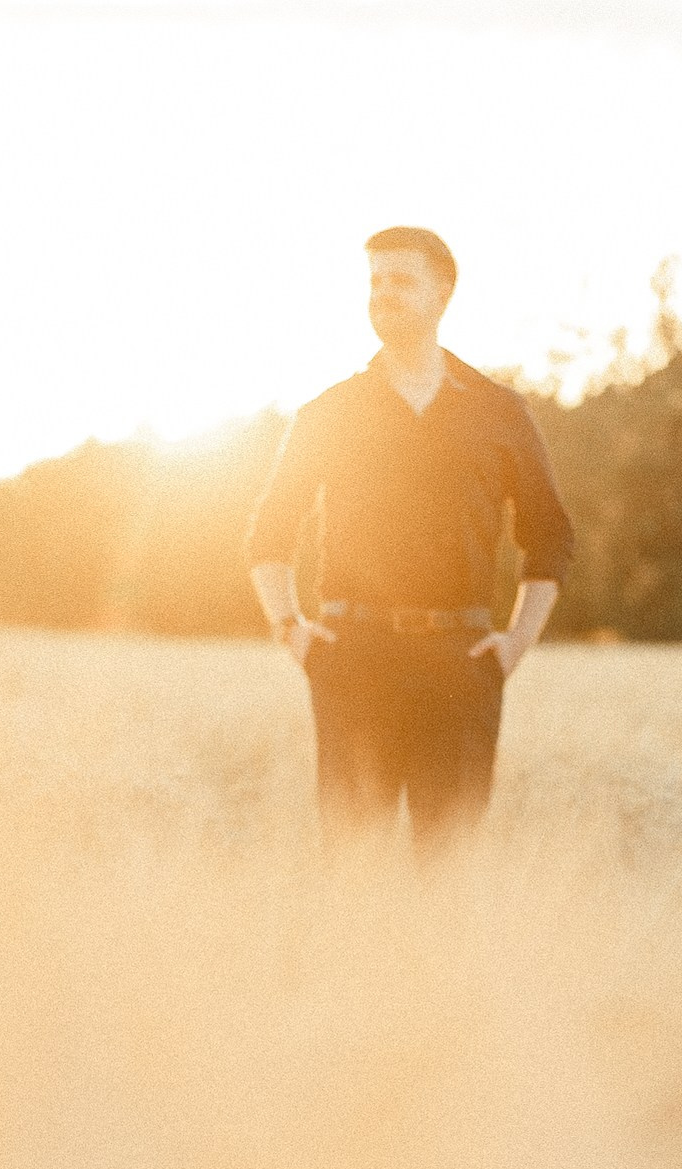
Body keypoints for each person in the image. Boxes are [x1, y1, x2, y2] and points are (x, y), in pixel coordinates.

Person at [245, 227, 574, 847]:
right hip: (353, 658)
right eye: (375, 281)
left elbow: (550, 536)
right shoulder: (330, 411)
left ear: (444, 292)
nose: (383, 295)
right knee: (352, 865)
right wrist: (291, 629)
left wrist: (516, 644)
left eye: (401, 281)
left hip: (461, 662)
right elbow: (268, 532)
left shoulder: (497, 412)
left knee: (444, 870)